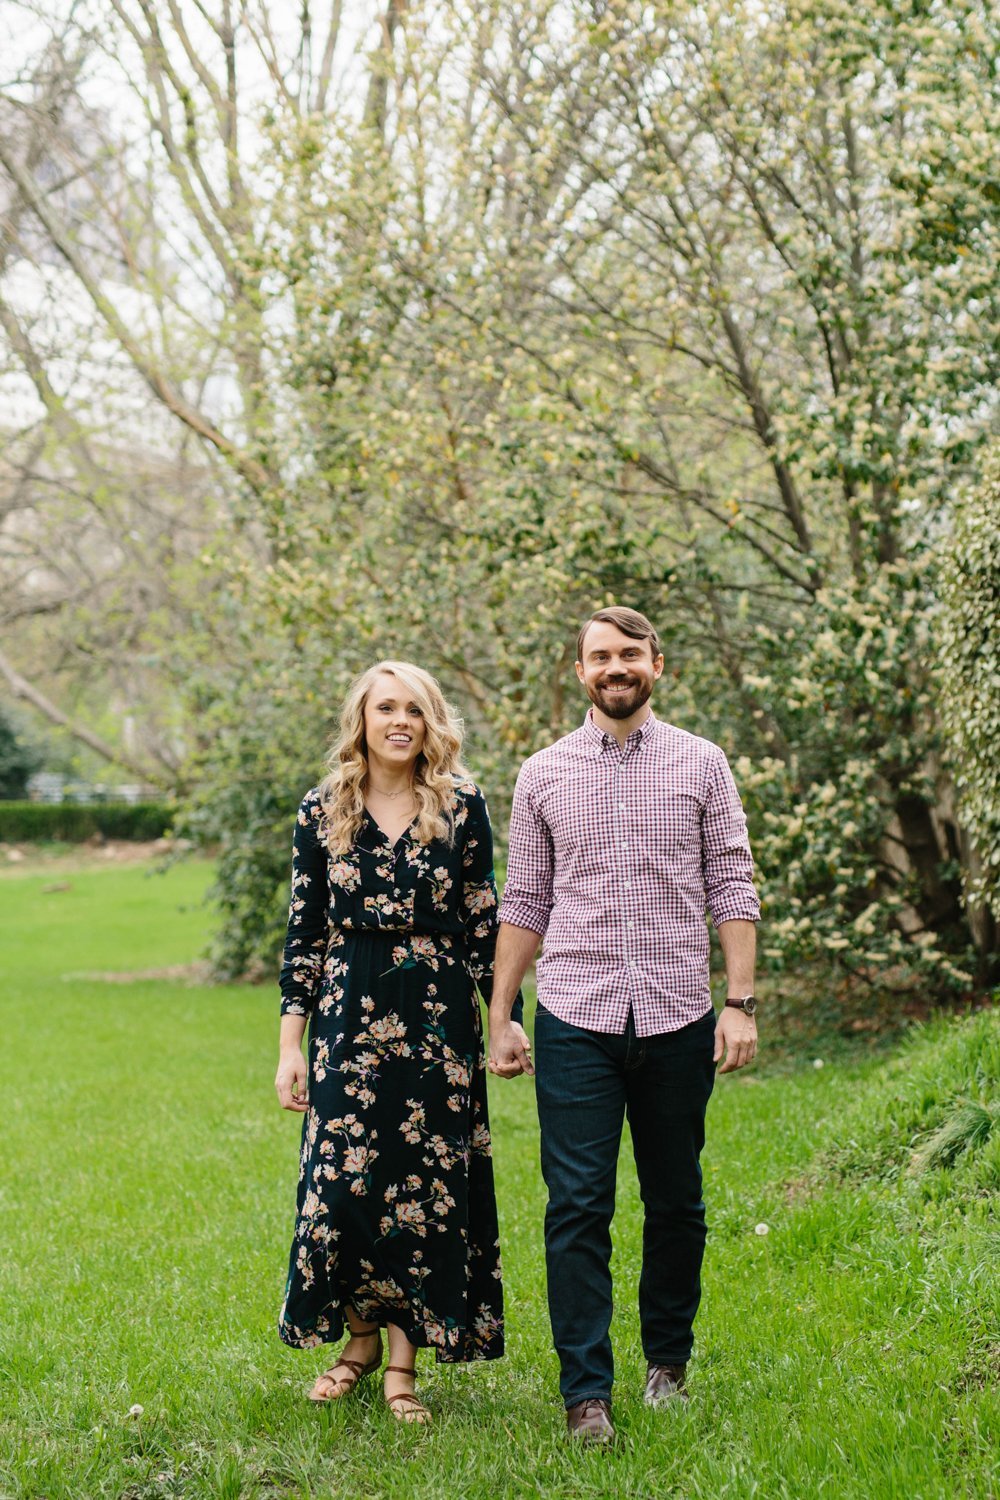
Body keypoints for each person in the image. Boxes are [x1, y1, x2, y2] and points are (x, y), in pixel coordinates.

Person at [487, 606, 760, 1444]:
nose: (616, 667)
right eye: (600, 655)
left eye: (630, 655)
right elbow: (526, 899)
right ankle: (586, 1396)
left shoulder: (704, 765)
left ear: (657, 665)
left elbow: (734, 883)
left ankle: (667, 1367)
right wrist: (501, 1013)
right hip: (576, 1015)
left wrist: (740, 1002)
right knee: (576, 1205)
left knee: (678, 1201)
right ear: (579, 670)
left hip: (679, 1012)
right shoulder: (543, 774)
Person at [274, 660, 526, 1424]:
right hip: (346, 1016)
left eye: (414, 708)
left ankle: (403, 1366)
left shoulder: (462, 803)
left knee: (423, 1188)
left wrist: (505, 1017)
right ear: (362, 719)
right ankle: (357, 1341)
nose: (400, 721)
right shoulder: (323, 807)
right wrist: (290, 1045)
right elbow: (303, 934)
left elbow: (486, 921)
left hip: (438, 1019)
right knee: (342, 1191)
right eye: (386, 707)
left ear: (432, 720)